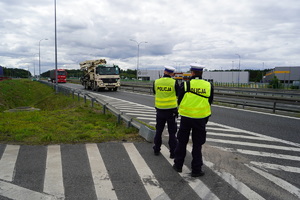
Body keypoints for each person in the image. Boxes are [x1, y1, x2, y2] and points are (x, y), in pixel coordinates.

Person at [173, 63, 214, 177]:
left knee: (182, 142)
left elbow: (179, 100)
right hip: (201, 119)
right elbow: (210, 101)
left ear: (192, 72)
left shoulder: (185, 84)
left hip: (186, 118)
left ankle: (178, 165)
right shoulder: (209, 85)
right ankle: (196, 170)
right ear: (201, 73)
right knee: (197, 145)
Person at [153, 66, 179, 158]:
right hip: (171, 111)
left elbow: (155, 92)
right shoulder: (174, 82)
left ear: (164, 72)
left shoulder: (156, 82)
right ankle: (172, 152)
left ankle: (156, 149)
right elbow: (178, 94)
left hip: (159, 110)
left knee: (159, 131)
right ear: (172, 74)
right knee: (172, 133)